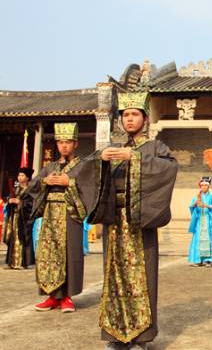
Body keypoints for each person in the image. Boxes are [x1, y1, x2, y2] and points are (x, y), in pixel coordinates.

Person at [84, 92, 178, 350]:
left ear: (145, 119)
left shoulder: (155, 146)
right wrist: (100, 162)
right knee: (114, 278)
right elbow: (86, 173)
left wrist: (134, 158)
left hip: (140, 221)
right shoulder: (112, 147)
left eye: (135, 114)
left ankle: (142, 337)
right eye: (126, 115)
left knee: (143, 277)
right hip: (115, 223)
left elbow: (169, 168)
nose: (130, 119)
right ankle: (115, 335)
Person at [29, 123, 89, 313]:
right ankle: (52, 296)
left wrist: (69, 182)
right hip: (50, 216)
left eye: (68, 142)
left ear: (76, 144)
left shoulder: (82, 166)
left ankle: (67, 297)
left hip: (70, 214)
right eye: (60, 142)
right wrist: (44, 182)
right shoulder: (50, 167)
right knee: (49, 254)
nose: (64, 146)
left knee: (70, 254)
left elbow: (90, 189)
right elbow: (32, 186)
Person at [4, 167, 35, 269]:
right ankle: (11, 262)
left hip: (24, 219)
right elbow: (9, 198)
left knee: (22, 238)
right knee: (13, 238)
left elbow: (32, 204)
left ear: (27, 178)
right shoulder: (16, 189)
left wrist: (21, 203)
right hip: (14, 217)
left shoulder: (30, 190)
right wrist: (10, 201)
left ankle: (22, 262)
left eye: (22, 175)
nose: (19, 177)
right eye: (19, 175)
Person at [187, 176, 212, 266]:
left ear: (208, 186)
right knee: (198, 239)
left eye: (205, 185)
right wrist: (195, 204)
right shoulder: (197, 196)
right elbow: (191, 206)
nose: (203, 187)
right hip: (199, 221)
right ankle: (198, 259)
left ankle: (207, 259)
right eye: (202, 185)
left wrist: (206, 205)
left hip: (208, 220)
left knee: (208, 239)